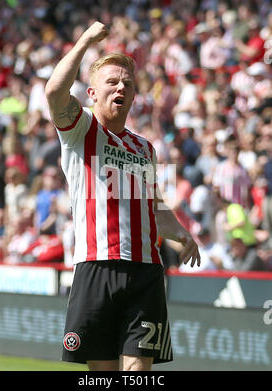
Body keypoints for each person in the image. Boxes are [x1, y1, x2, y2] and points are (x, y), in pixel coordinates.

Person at [45, 21, 200, 372]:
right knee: (104, 374)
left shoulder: (145, 147)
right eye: (112, 82)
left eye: (127, 84)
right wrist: (85, 39)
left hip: (146, 272)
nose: (121, 87)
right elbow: (54, 91)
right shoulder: (80, 129)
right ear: (92, 93)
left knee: (138, 372)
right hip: (95, 265)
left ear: (133, 96)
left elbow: (156, 207)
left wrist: (181, 234)